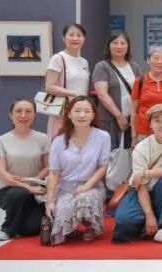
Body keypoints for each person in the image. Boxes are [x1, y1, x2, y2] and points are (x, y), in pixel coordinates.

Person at [112, 104, 162, 243]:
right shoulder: (141, 148)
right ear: (151, 124)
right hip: (141, 190)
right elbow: (140, 184)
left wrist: (145, 173)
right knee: (124, 223)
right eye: (157, 121)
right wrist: (149, 213)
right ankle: (150, 223)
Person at [45, 96, 110, 245]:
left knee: (85, 198)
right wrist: (50, 202)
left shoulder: (102, 137)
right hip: (66, 190)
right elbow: (53, 173)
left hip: (92, 187)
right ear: (69, 114)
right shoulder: (58, 141)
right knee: (61, 221)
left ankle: (91, 226)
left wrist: (87, 186)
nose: (82, 115)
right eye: (77, 111)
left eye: (87, 111)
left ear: (93, 115)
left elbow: (103, 167)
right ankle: (71, 227)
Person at [0, 98, 50, 241]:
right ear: (11, 115)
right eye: (18, 111)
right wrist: (27, 187)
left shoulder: (43, 138)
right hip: (8, 190)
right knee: (19, 194)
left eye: (28, 111)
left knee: (31, 230)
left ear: (34, 114)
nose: (23, 115)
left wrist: (34, 182)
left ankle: (21, 220)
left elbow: (49, 166)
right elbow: (0, 173)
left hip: (35, 189)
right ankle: (7, 229)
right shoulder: (1, 140)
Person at [92, 31, 142, 150]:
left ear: (128, 46)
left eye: (123, 43)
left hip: (132, 119)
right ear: (109, 46)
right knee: (110, 153)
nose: (119, 46)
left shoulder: (134, 66)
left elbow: (141, 92)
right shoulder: (102, 66)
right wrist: (119, 116)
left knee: (131, 153)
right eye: (115, 43)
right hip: (110, 120)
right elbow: (102, 94)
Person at [130, 45, 162, 147]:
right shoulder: (139, 81)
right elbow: (133, 111)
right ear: (148, 60)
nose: (160, 62)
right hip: (144, 133)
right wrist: (134, 135)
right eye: (156, 58)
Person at [44, 23, 90, 139]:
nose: (75, 38)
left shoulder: (84, 62)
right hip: (62, 111)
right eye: (71, 35)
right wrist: (74, 93)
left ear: (84, 39)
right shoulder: (58, 58)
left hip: (81, 112)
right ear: (63, 38)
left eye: (79, 35)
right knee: (62, 142)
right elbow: (49, 87)